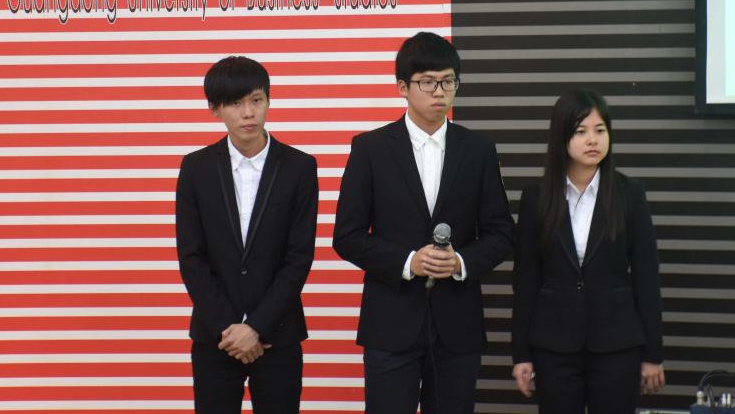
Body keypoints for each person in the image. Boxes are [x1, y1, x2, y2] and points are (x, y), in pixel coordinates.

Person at [333, 31, 516, 414]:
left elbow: (501, 233)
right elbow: (347, 236)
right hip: (390, 324)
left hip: (457, 325)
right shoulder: (370, 149)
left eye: (448, 81)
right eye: (428, 82)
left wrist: (460, 262)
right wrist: (408, 262)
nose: (440, 92)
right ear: (403, 87)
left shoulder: (479, 150)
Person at [175, 56, 318, 414]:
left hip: (278, 335)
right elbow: (192, 258)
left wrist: (256, 326)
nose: (249, 113)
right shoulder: (196, 168)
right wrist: (230, 328)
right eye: (236, 104)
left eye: (256, 100)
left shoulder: (300, 167)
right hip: (215, 337)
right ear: (214, 109)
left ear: (268, 100)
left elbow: (299, 257)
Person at [511, 89, 664, 414]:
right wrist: (521, 354)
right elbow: (526, 280)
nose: (592, 140)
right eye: (580, 131)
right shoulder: (536, 197)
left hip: (617, 344)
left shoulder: (629, 193)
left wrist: (653, 353)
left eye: (600, 130)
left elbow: (647, 278)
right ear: (561, 136)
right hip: (554, 346)